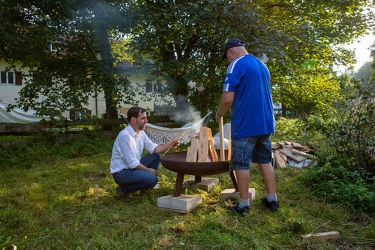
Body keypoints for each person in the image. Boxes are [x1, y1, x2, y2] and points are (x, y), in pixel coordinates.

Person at [216, 38, 279, 215]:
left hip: (245, 125)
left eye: (227, 57)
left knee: (241, 164)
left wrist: (219, 113)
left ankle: (243, 205)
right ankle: (272, 200)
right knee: (265, 161)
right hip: (265, 124)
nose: (228, 61)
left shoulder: (236, 65)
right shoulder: (261, 65)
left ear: (231, 52)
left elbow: (228, 99)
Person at [110, 107, 180, 202]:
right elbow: (132, 163)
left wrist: (170, 144)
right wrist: (148, 170)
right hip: (121, 173)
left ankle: (144, 184)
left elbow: (154, 149)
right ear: (134, 120)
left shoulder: (141, 133)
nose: (146, 121)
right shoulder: (125, 136)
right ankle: (123, 190)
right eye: (143, 118)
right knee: (152, 180)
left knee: (156, 156)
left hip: (132, 168)